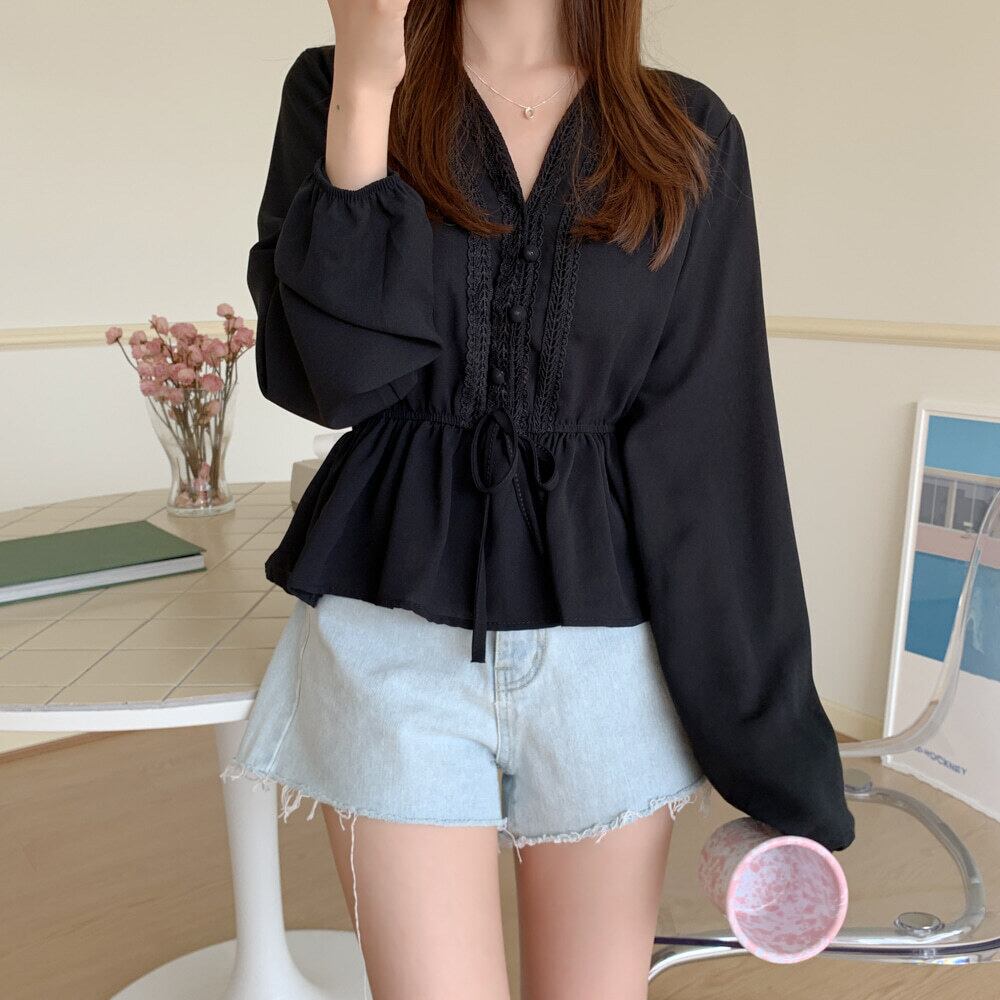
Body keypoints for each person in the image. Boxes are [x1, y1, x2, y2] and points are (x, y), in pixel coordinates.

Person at [220, 0, 856, 996]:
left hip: (608, 662)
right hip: (392, 643)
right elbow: (331, 379)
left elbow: (710, 446)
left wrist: (778, 752)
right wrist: (366, 82)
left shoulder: (687, 131)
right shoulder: (333, 85)